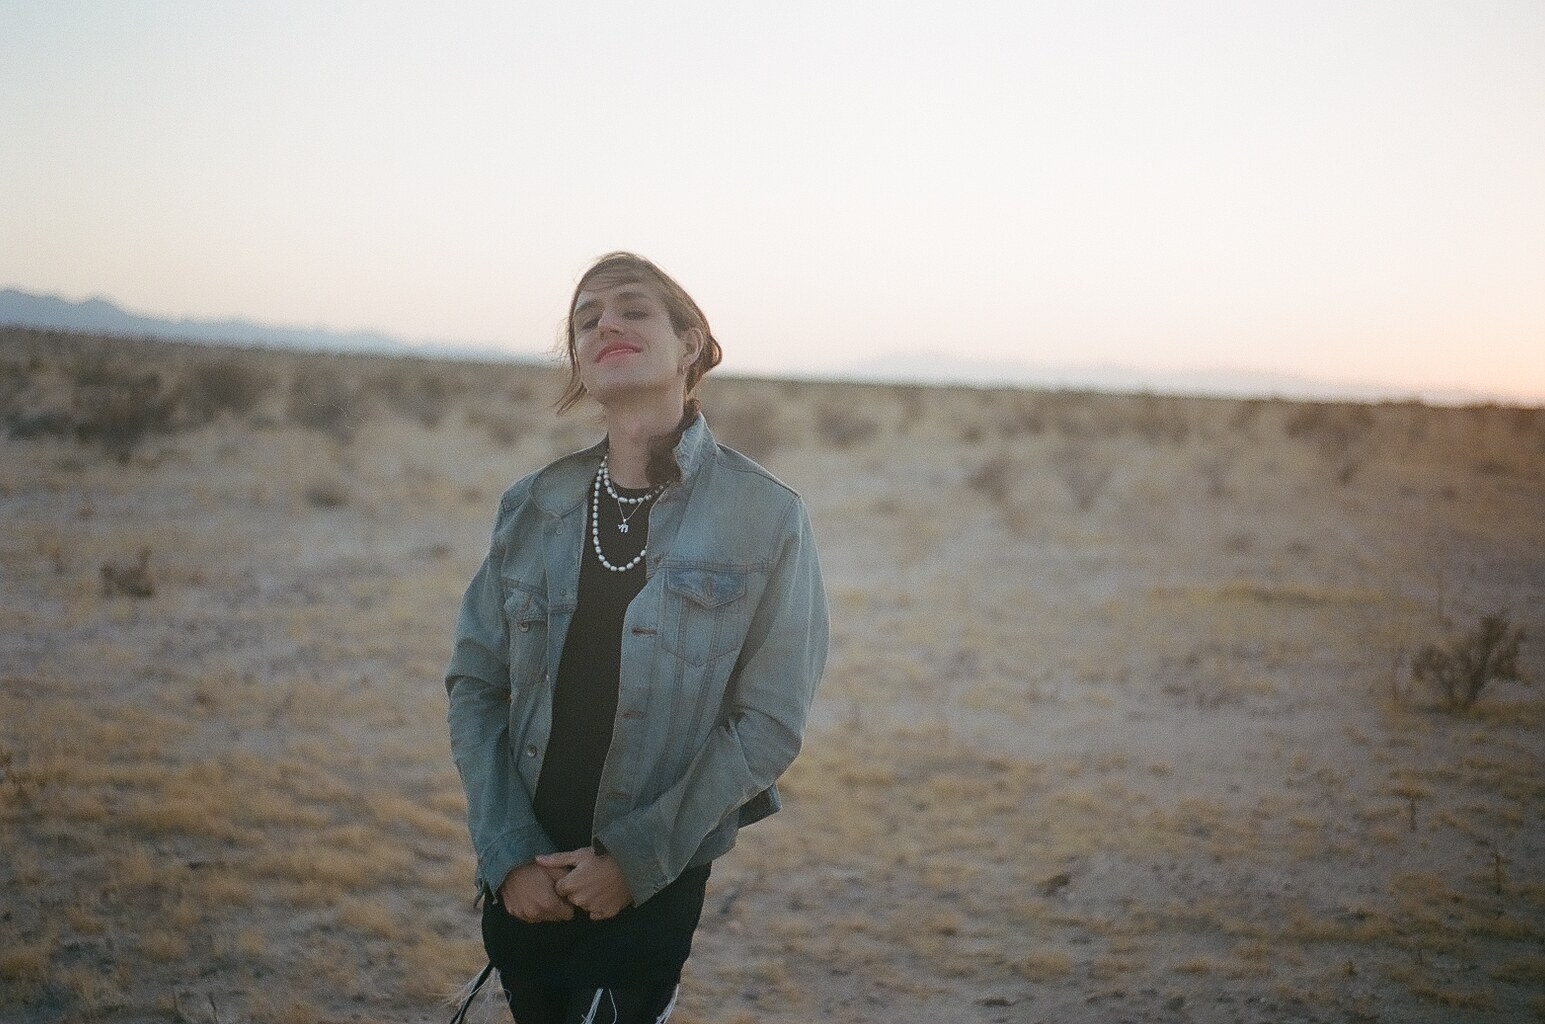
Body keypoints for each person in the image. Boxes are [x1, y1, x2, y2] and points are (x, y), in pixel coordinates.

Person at [445, 252, 829, 1024]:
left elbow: (767, 723)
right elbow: (476, 686)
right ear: (580, 364)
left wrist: (636, 858)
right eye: (586, 320)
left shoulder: (764, 515)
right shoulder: (534, 505)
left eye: (631, 310)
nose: (604, 325)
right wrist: (507, 851)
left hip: (654, 875)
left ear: (690, 343)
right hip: (527, 873)